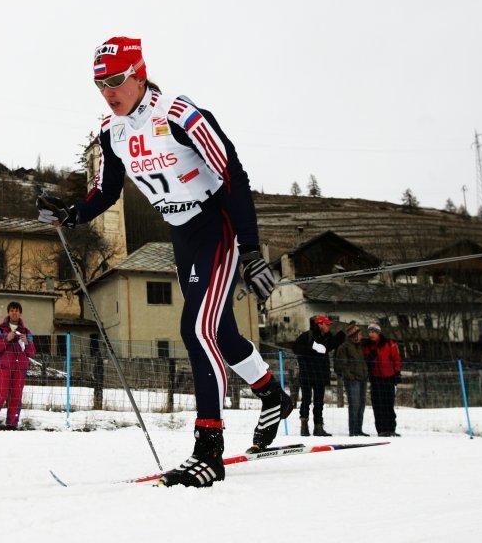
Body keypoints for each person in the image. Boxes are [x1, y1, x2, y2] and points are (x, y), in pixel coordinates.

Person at [36, 36, 292, 487]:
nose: (108, 92)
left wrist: (250, 248)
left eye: (116, 81)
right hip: (182, 235)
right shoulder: (110, 132)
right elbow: (107, 191)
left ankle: (208, 450)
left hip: (217, 223)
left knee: (196, 329)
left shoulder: (179, 115)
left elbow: (233, 174)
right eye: (100, 85)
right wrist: (73, 214)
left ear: (139, 74)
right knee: (221, 332)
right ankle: (272, 393)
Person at [0, 301, 35, 430]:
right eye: (12, 310)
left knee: (16, 397)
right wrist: (6, 339)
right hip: (4, 367)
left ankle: (12, 425)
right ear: (8, 312)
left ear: (20, 313)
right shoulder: (0, 329)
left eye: (17, 310)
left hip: (20, 369)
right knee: (0, 395)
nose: (14, 312)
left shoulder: (26, 332)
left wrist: (27, 343)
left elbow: (32, 353)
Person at [292, 315, 345, 436]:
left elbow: (331, 345)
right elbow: (295, 348)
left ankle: (318, 426)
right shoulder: (307, 335)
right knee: (306, 400)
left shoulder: (328, 337)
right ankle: (304, 426)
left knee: (319, 401)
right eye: (326, 324)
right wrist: (312, 349)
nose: (328, 326)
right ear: (319, 324)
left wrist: (342, 334)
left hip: (321, 373)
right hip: (307, 373)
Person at [363, 322, 402, 437]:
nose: (371, 334)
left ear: (379, 333)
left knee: (389, 405)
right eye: (369, 332)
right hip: (375, 379)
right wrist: (370, 358)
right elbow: (366, 361)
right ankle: (381, 430)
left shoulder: (390, 344)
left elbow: (396, 359)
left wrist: (397, 372)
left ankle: (391, 428)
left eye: (373, 332)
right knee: (378, 405)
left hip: (388, 378)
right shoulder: (367, 346)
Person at [334, 324, 369, 436]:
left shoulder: (360, 347)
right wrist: (350, 376)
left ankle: (359, 429)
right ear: (354, 336)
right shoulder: (344, 348)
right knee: (355, 404)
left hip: (362, 378)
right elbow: (342, 365)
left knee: (361, 405)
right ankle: (353, 430)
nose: (361, 336)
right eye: (359, 334)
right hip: (352, 380)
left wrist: (365, 374)